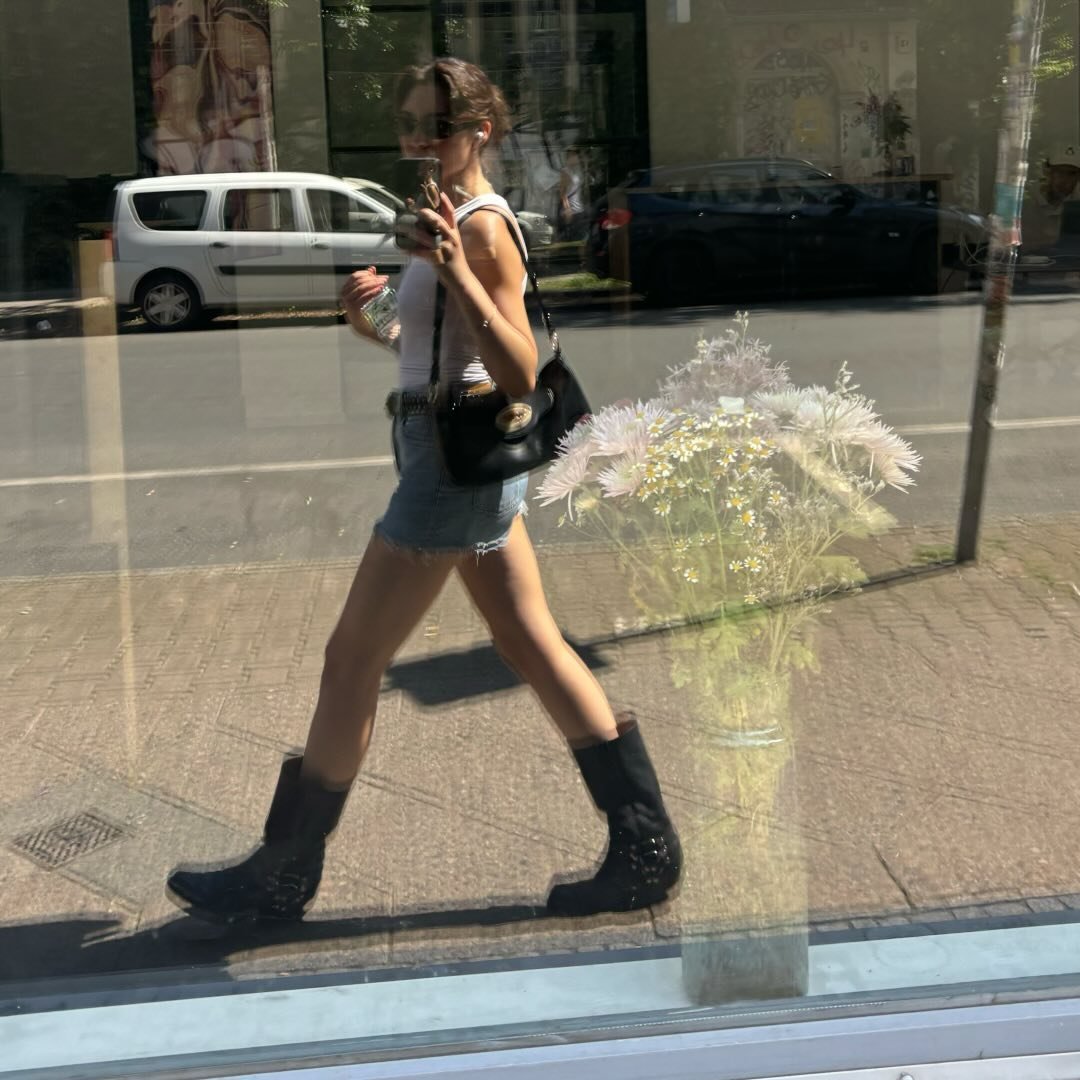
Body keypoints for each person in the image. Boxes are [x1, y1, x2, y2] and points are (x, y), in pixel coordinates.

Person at [165, 58, 681, 925]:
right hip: (444, 450)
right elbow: (434, 349)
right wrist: (369, 317)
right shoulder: (448, 217)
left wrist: (454, 268)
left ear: (480, 131)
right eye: (407, 124)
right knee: (531, 642)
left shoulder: (481, 229)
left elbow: (516, 371)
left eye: (434, 126)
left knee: (350, 659)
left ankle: (282, 874)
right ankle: (645, 845)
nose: (416, 140)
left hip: (452, 467)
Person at [1022, 141, 1080, 253]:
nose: (1064, 180)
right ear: (1047, 172)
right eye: (1059, 172)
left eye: (1071, 173)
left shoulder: (1076, 204)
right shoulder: (1025, 200)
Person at [558, 147, 587, 240]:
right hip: (572, 211)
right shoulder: (565, 172)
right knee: (572, 237)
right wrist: (567, 209)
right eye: (575, 156)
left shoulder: (576, 170)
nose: (577, 158)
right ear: (570, 157)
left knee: (581, 237)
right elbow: (562, 193)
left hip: (579, 209)